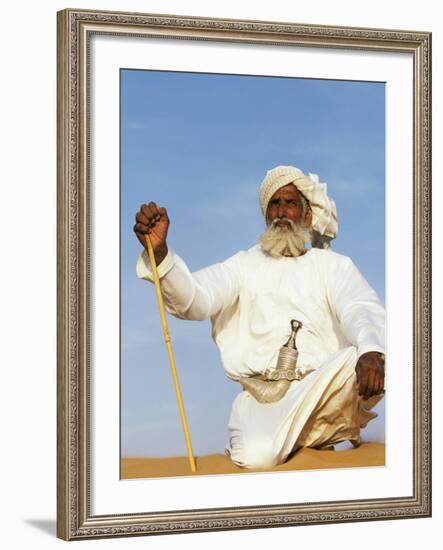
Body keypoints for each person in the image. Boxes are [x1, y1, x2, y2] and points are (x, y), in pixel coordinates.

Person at [133, 165, 385, 469]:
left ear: (306, 215)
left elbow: (359, 306)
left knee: (374, 353)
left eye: (290, 203)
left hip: (320, 389)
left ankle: (316, 435)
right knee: (258, 456)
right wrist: (160, 254)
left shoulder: (333, 266)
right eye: (274, 204)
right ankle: (299, 439)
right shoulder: (243, 265)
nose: (281, 211)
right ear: (266, 215)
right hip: (265, 400)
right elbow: (196, 299)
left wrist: (371, 350)